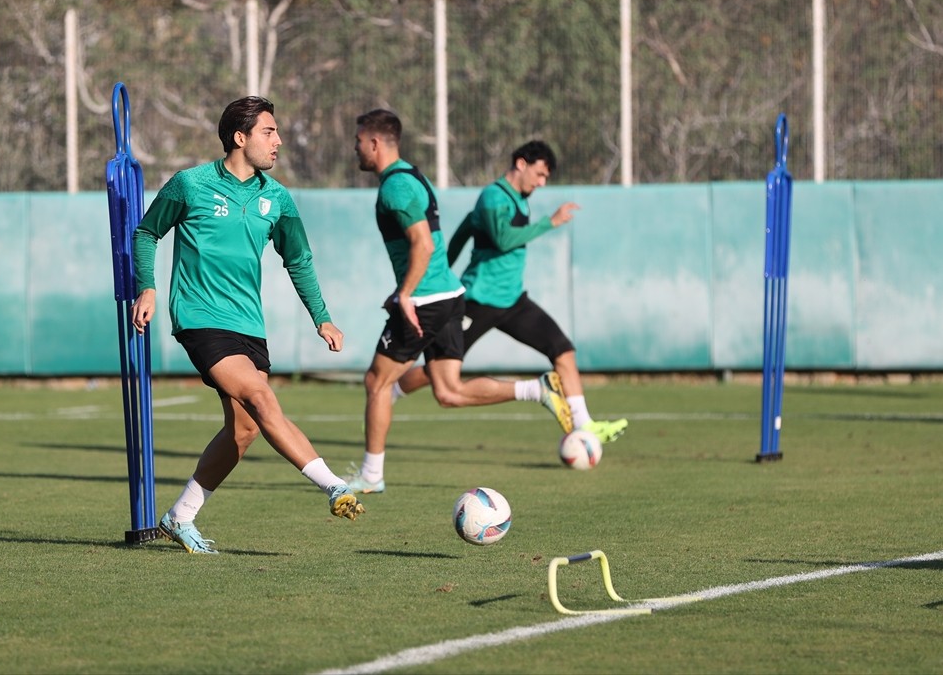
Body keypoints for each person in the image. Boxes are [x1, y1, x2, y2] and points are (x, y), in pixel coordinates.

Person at [130, 96, 363, 554]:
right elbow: (146, 232)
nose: (278, 141)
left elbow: (299, 259)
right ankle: (332, 484)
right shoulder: (189, 184)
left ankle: (180, 516)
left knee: (244, 429)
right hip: (199, 318)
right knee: (259, 397)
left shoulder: (276, 198)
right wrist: (149, 287)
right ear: (240, 138)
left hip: (248, 326)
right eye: (268, 132)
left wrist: (323, 317)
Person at [347, 109, 572, 495]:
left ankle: (371, 476)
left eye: (358, 143)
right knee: (448, 391)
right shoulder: (414, 177)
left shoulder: (395, 188)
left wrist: (405, 294)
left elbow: (423, 243)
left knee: (377, 382)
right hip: (450, 295)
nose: (356, 151)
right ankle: (536, 390)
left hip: (427, 300)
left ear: (375, 142)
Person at [391, 140, 628, 443]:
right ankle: (388, 396)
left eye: (546, 178)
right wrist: (550, 222)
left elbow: (464, 231)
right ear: (521, 164)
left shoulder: (520, 199)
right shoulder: (492, 196)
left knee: (563, 351)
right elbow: (500, 239)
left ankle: (585, 427)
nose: (541, 183)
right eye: (540, 174)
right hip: (478, 300)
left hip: (513, 301)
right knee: (437, 373)